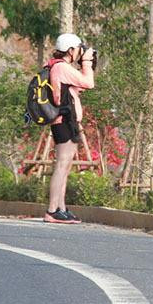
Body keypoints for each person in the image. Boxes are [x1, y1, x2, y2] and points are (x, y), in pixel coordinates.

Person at [45, 32, 96, 224]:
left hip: (66, 120)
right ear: (71, 50)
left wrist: (87, 65)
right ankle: (52, 210)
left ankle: (61, 208)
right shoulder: (61, 68)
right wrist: (87, 63)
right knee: (62, 164)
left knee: (65, 166)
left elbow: (78, 88)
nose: (79, 53)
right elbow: (89, 83)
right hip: (63, 121)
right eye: (78, 50)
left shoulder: (57, 67)